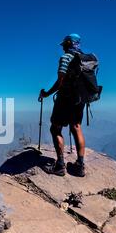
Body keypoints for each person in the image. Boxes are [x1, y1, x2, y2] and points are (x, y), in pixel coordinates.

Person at [38, 33, 86, 177]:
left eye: (64, 44)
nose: (63, 47)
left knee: (55, 128)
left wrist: (46, 94)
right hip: (80, 100)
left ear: (69, 43)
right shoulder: (83, 59)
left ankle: (60, 166)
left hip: (66, 100)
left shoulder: (66, 58)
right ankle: (80, 165)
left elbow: (61, 82)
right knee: (76, 127)